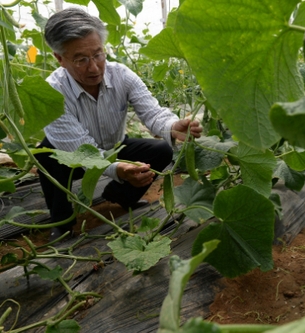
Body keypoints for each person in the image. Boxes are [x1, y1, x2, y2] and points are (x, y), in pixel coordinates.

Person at [37, 7, 202, 241]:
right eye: (81, 59)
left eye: (98, 54)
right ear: (60, 59)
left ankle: (120, 197)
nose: (94, 67)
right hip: (70, 155)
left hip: (115, 146)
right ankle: (61, 221)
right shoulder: (51, 92)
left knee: (162, 150)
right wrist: (118, 170)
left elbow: (152, 112)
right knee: (45, 159)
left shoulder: (121, 75)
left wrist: (172, 126)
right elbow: (81, 150)